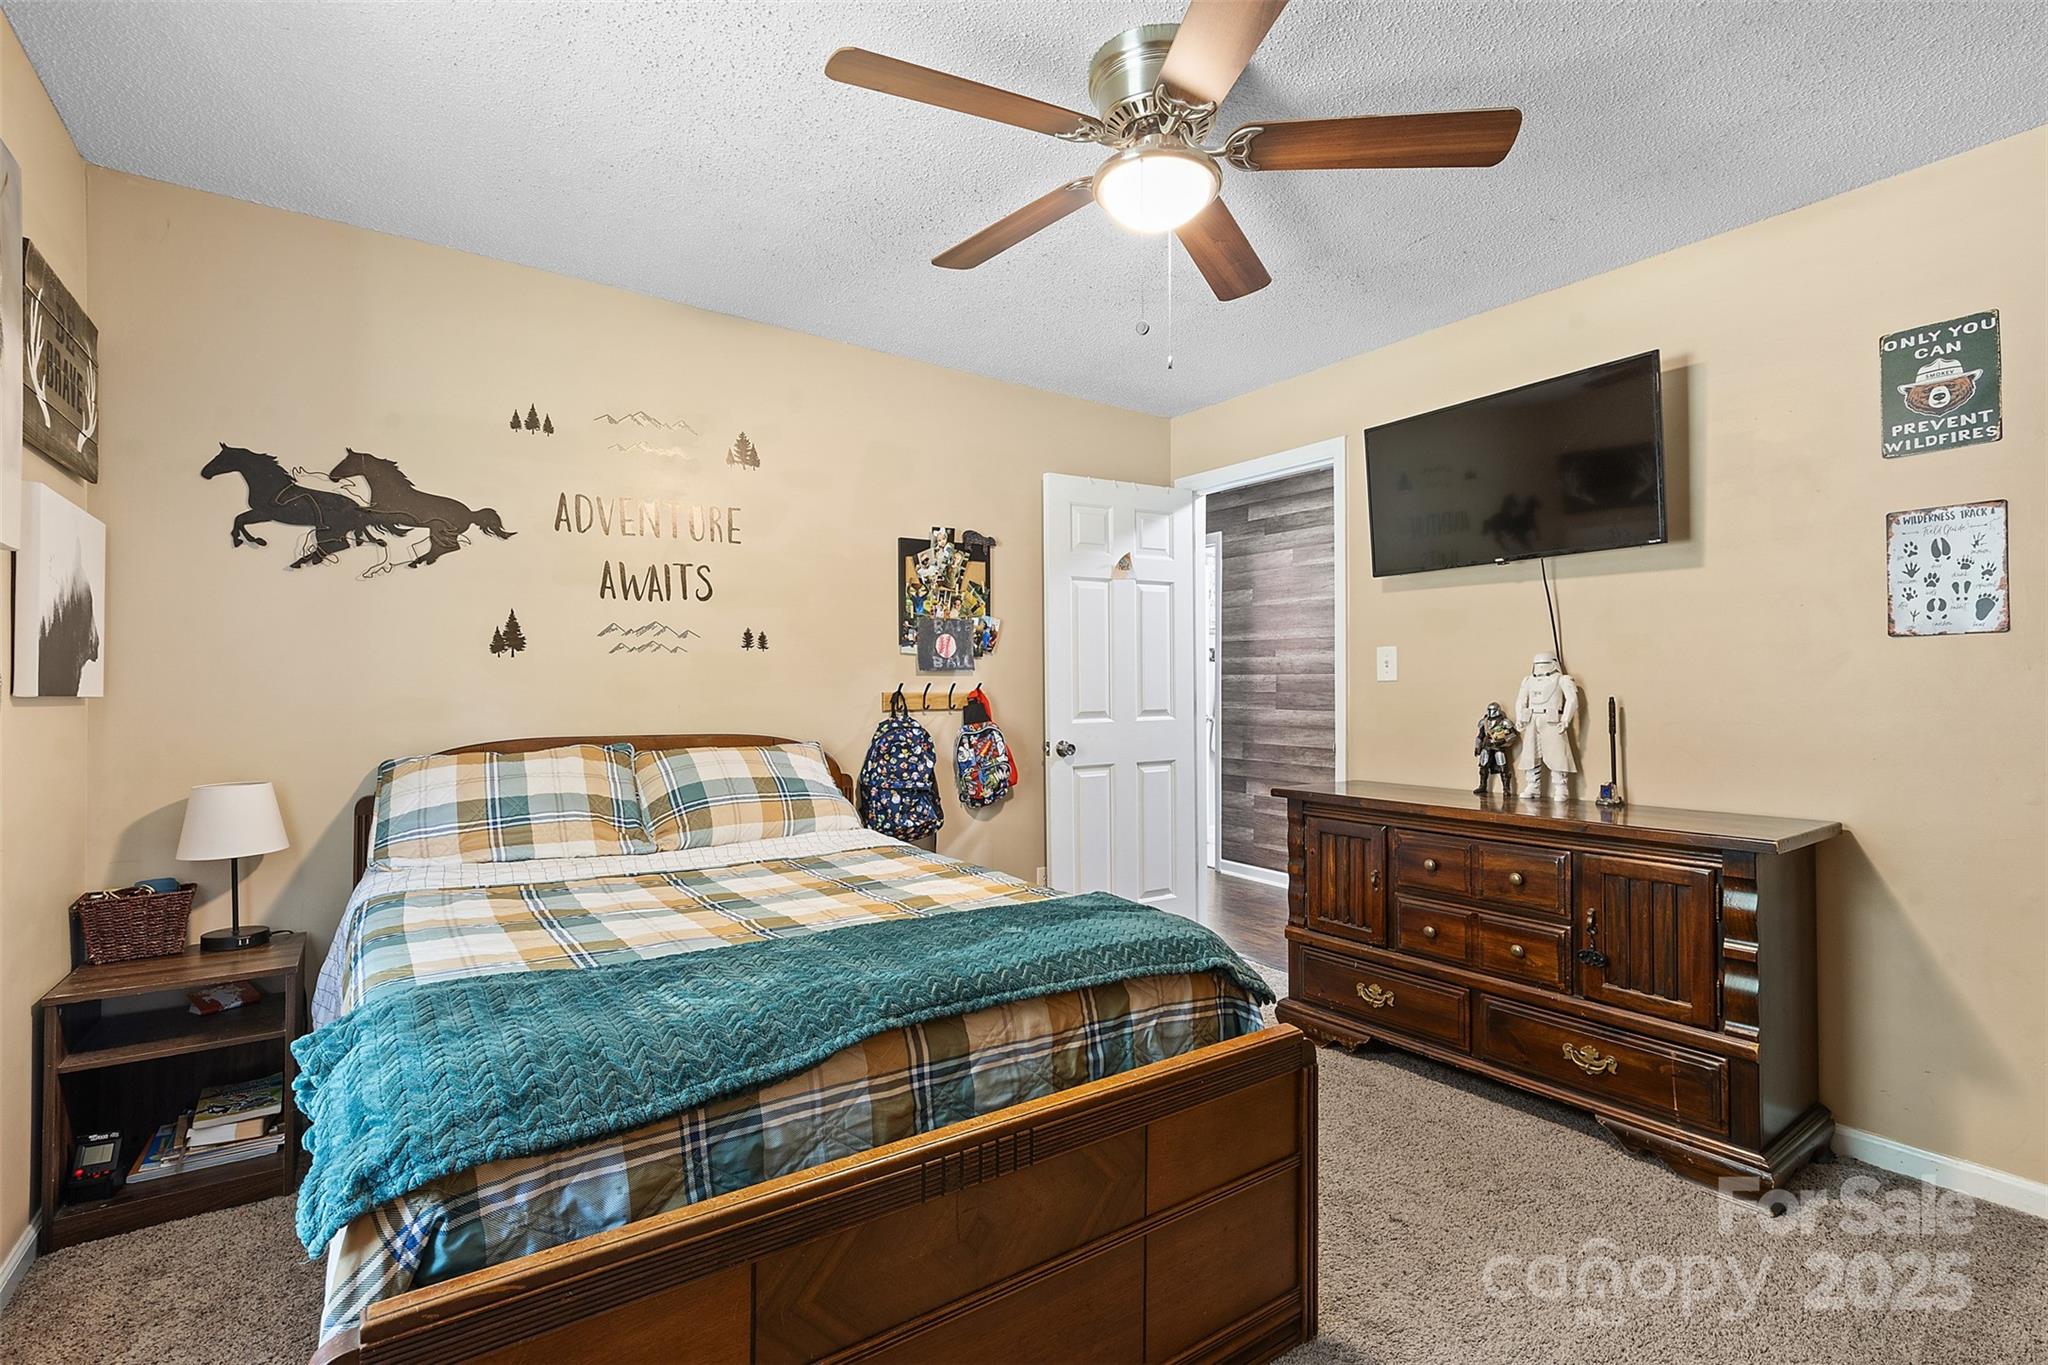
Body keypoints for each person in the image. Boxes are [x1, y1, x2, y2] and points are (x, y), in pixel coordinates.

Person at [1513, 651, 1580, 800]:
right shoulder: (1528, 680)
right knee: (1530, 753)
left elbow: (1572, 700)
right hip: (1531, 718)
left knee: (1557, 753)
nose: (1541, 667)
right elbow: (1521, 700)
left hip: (1552, 719)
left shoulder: (1562, 679)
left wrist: (1565, 720)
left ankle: (1561, 787)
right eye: (1538, 664)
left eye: (1544, 664)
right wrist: (1520, 717)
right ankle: (1532, 785)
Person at [1473, 702, 1517, 797]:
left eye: (1492, 710)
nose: (1490, 712)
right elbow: (1480, 735)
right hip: (1487, 746)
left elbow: (1513, 735)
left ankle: (1506, 788)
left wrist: (1503, 741)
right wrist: (1477, 746)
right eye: (1489, 710)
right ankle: (1482, 785)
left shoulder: (1504, 722)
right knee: (1483, 766)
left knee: (1503, 767)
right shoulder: (1484, 721)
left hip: (1498, 747)